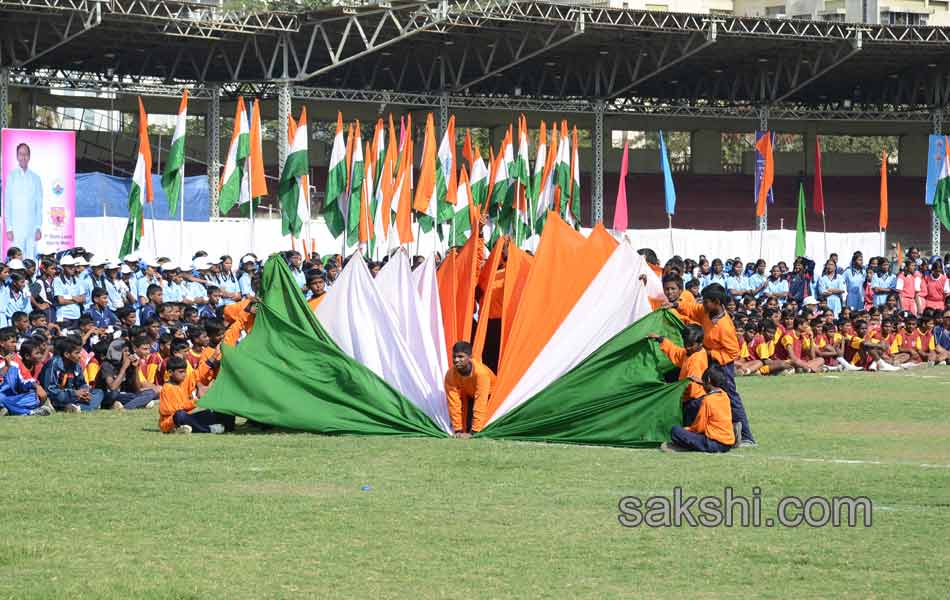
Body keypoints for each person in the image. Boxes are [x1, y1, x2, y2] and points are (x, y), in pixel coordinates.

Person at [667, 283, 755, 447]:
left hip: (722, 366)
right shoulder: (706, 311)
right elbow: (693, 309)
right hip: (709, 359)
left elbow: (732, 353)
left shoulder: (725, 326)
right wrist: (676, 305)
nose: (703, 304)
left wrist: (710, 353)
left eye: (706, 301)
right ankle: (718, 427)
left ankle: (746, 436)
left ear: (716, 302)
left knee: (730, 396)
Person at [661, 366, 734, 453]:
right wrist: (701, 382)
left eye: (703, 381)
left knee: (675, 430)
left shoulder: (708, 400)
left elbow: (699, 427)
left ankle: (686, 445)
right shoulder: (724, 395)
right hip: (728, 442)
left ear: (709, 380)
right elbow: (711, 386)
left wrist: (687, 429)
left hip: (713, 443)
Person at [648, 324, 707, 426]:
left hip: (693, 400)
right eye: (685, 343)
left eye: (690, 345)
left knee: (689, 427)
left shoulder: (696, 361)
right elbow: (677, 353)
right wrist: (661, 339)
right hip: (689, 398)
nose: (687, 347)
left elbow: (693, 387)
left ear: (700, 343)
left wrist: (676, 391)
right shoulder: (690, 352)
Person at [159, 353, 233, 434]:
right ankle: (208, 429)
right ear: (170, 372)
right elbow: (170, 410)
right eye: (181, 372)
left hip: (189, 418)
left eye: (185, 372)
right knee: (180, 415)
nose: (184, 375)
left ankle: (190, 428)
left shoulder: (184, 382)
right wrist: (196, 401)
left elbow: (199, 373)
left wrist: (214, 355)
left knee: (219, 412)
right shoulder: (166, 388)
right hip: (171, 422)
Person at [39, 336, 104, 412]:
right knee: (57, 398)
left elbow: (82, 383)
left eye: (80, 352)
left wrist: (85, 392)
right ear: (67, 354)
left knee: (99, 392)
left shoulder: (77, 365)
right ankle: (80, 407)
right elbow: (50, 390)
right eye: (77, 353)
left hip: (75, 397)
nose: (80, 356)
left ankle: (74, 407)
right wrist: (74, 393)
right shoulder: (54, 364)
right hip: (61, 396)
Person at [444, 340, 495, 437]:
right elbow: (453, 403)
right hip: (470, 394)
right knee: (467, 424)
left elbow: (481, 402)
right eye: (454, 356)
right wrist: (457, 430)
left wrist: (474, 432)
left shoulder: (481, 374)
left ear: (470, 357)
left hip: (491, 396)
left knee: (483, 426)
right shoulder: (450, 375)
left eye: (461, 357)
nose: (456, 360)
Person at [3, 143, 44, 258]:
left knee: (30, 259)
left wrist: (38, 227)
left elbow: (39, 205)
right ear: (17, 156)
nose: (23, 157)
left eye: (26, 154)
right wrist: (9, 228)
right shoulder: (12, 176)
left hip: (31, 227)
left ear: (29, 157)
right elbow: (7, 203)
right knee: (17, 260)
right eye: (21, 154)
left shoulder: (36, 178)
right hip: (16, 227)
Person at [96, 339, 157, 410]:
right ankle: (139, 403)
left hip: (125, 395)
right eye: (125, 351)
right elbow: (112, 387)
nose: (128, 354)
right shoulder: (107, 365)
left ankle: (125, 407)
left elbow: (137, 389)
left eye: (129, 351)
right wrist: (124, 367)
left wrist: (135, 368)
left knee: (150, 392)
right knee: (114, 394)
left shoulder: (130, 364)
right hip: (107, 395)